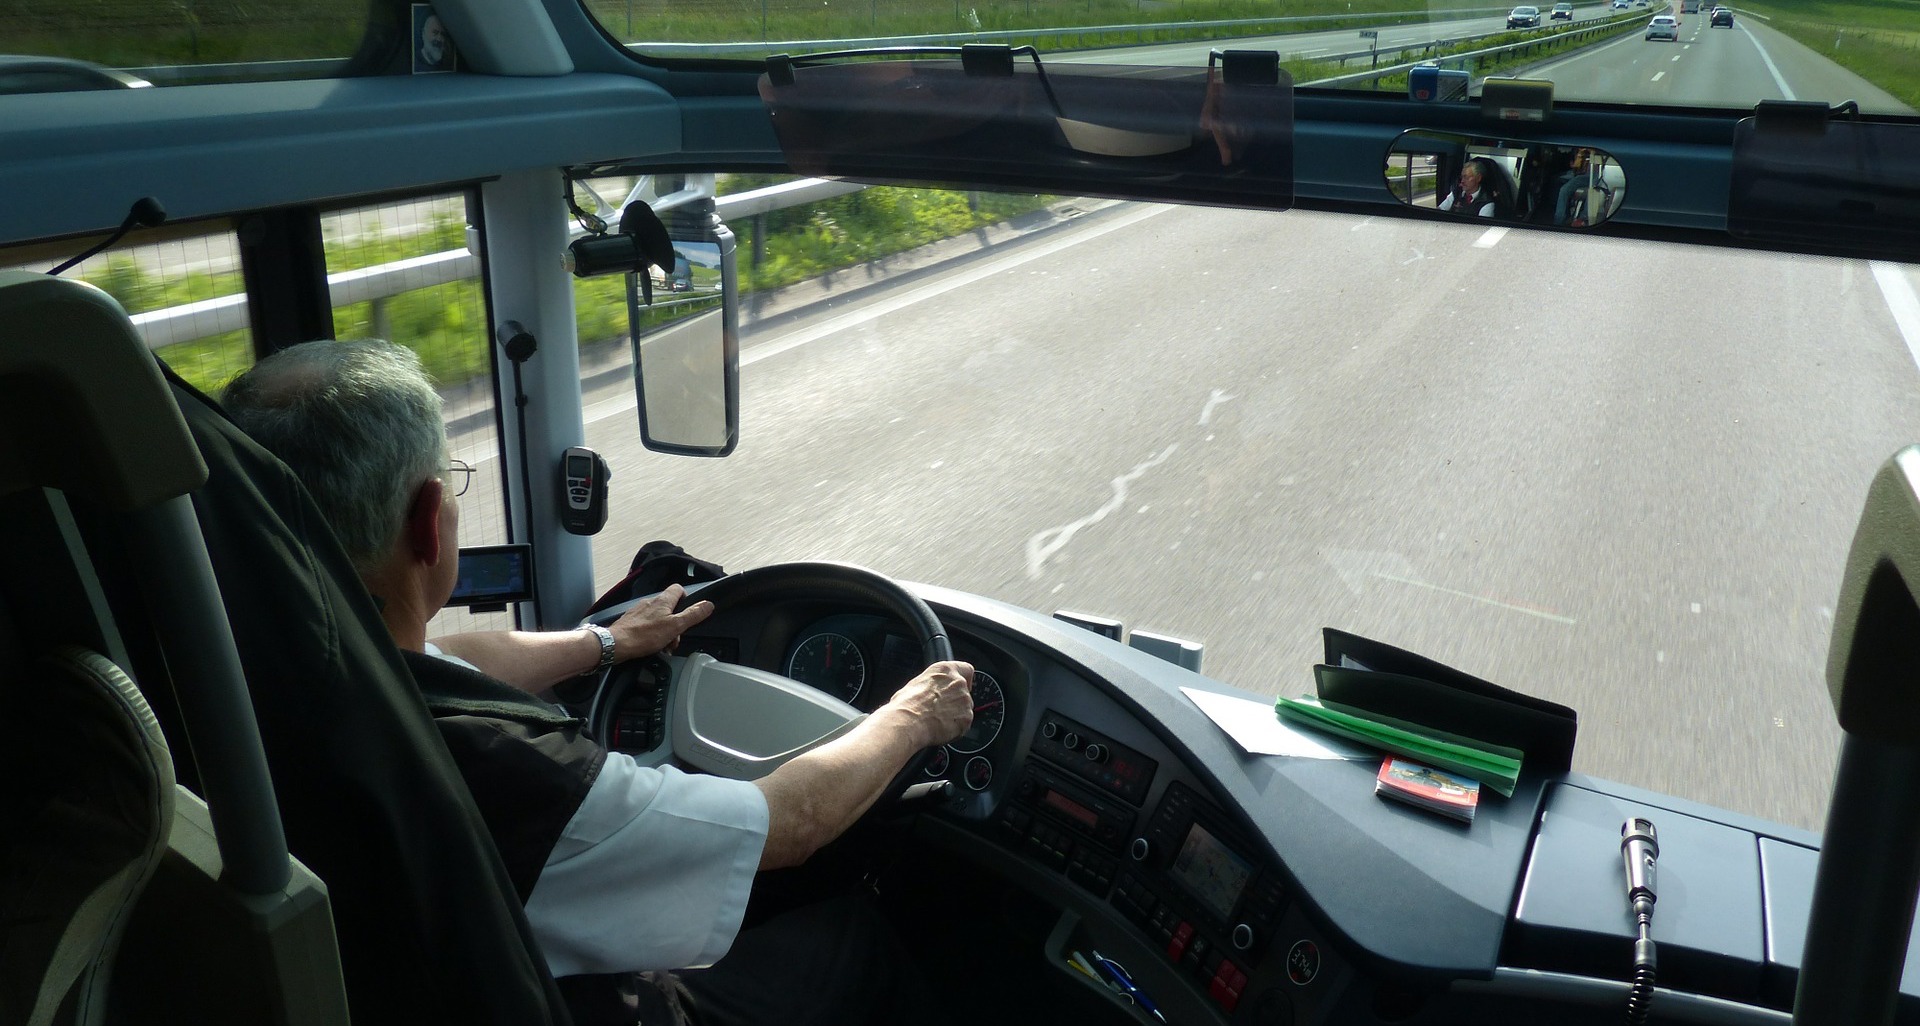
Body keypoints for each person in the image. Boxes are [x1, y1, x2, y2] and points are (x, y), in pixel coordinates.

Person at [222, 338, 975, 1025]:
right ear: (429, 522)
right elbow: (792, 826)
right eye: (449, 484)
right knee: (849, 938)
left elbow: (457, 660)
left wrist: (605, 642)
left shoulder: (259, 668)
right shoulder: (512, 773)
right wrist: (913, 713)